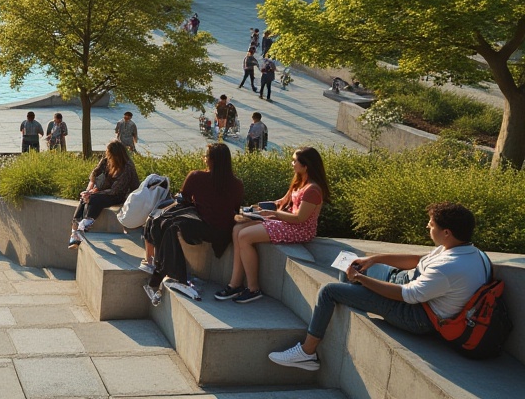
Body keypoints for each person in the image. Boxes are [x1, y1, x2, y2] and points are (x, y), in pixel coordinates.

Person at [268, 202, 490, 372]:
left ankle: (307, 353)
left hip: (418, 315)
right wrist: (373, 259)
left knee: (329, 292)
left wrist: (361, 280)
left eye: (431, 225)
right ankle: (354, 300)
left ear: (447, 232)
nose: (427, 227)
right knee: (354, 263)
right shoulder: (470, 252)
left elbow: (407, 296)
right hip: (413, 286)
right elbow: (419, 261)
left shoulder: (449, 267)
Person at [216, 146, 328, 304]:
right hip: (288, 223)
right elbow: (281, 202)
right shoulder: (300, 183)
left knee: (245, 236)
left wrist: (273, 214)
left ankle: (253, 288)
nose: (292, 163)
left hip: (300, 230)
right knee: (237, 229)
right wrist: (257, 208)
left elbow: (299, 219)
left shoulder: (313, 190)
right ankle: (235, 283)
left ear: (306, 165)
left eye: (295, 161)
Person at [141, 144, 243, 305]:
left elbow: (184, 198)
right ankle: (161, 272)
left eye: (206, 156)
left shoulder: (197, 176)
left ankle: (168, 272)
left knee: (169, 222)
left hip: (203, 228)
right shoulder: (237, 184)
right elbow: (235, 209)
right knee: (172, 222)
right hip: (223, 233)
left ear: (211, 160)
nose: (204, 159)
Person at [67, 141, 138, 248]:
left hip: (120, 195)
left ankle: (82, 228)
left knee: (95, 199)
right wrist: (88, 190)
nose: (107, 155)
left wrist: (93, 193)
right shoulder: (106, 161)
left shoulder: (127, 167)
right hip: (104, 191)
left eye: (109, 154)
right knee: (84, 198)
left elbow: (115, 190)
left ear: (116, 155)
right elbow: (94, 174)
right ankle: (75, 230)